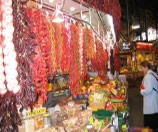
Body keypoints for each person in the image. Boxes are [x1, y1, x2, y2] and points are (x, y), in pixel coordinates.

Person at [140, 61, 158, 131]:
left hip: (150, 100)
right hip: (154, 99)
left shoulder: (148, 76)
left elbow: (149, 89)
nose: (142, 70)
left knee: (150, 120)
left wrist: (142, 91)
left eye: (142, 68)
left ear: (146, 67)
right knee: (154, 116)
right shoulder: (154, 74)